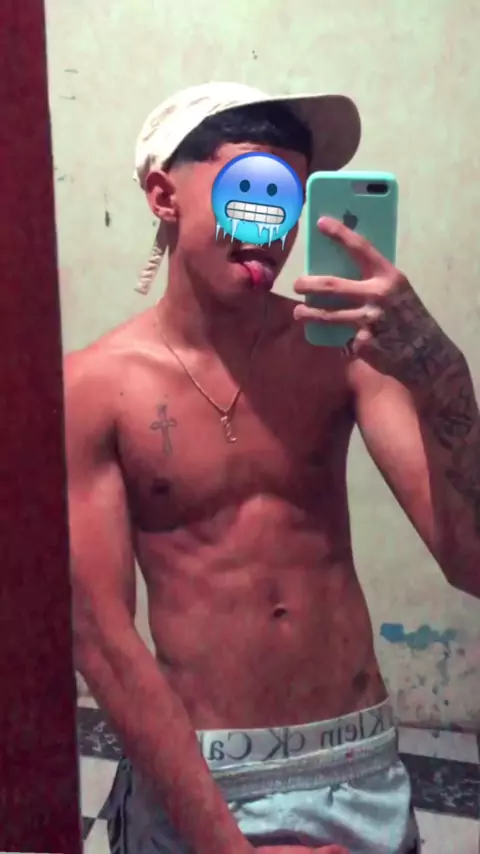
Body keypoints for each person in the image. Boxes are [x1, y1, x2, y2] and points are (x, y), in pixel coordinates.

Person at [65, 82, 480, 854]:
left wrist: (444, 374)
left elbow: (472, 562)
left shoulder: (346, 352)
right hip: (193, 774)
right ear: (163, 195)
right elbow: (102, 641)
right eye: (253, 188)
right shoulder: (93, 388)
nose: (275, 224)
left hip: (357, 765)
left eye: (291, 196)